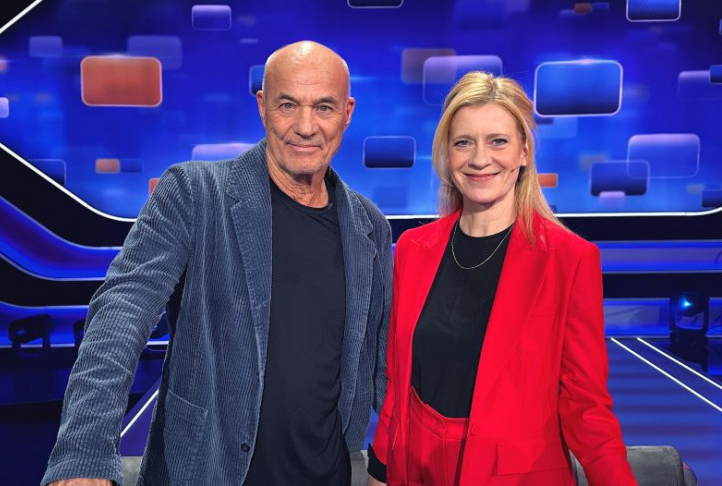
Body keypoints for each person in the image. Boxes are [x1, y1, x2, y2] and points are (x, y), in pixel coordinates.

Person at [42, 41, 392, 486]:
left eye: (323, 107)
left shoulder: (368, 225)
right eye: (288, 105)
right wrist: (85, 452)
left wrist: (397, 464)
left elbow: (386, 365)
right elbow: (120, 316)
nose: (306, 127)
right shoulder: (194, 193)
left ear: (347, 112)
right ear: (262, 106)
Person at [367, 71, 636, 485]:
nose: (479, 159)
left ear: (524, 151)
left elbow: (586, 407)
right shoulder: (413, 250)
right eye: (463, 142)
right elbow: (398, 381)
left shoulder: (569, 260)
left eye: (498, 141)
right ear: (446, 155)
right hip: (417, 470)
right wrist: (381, 468)